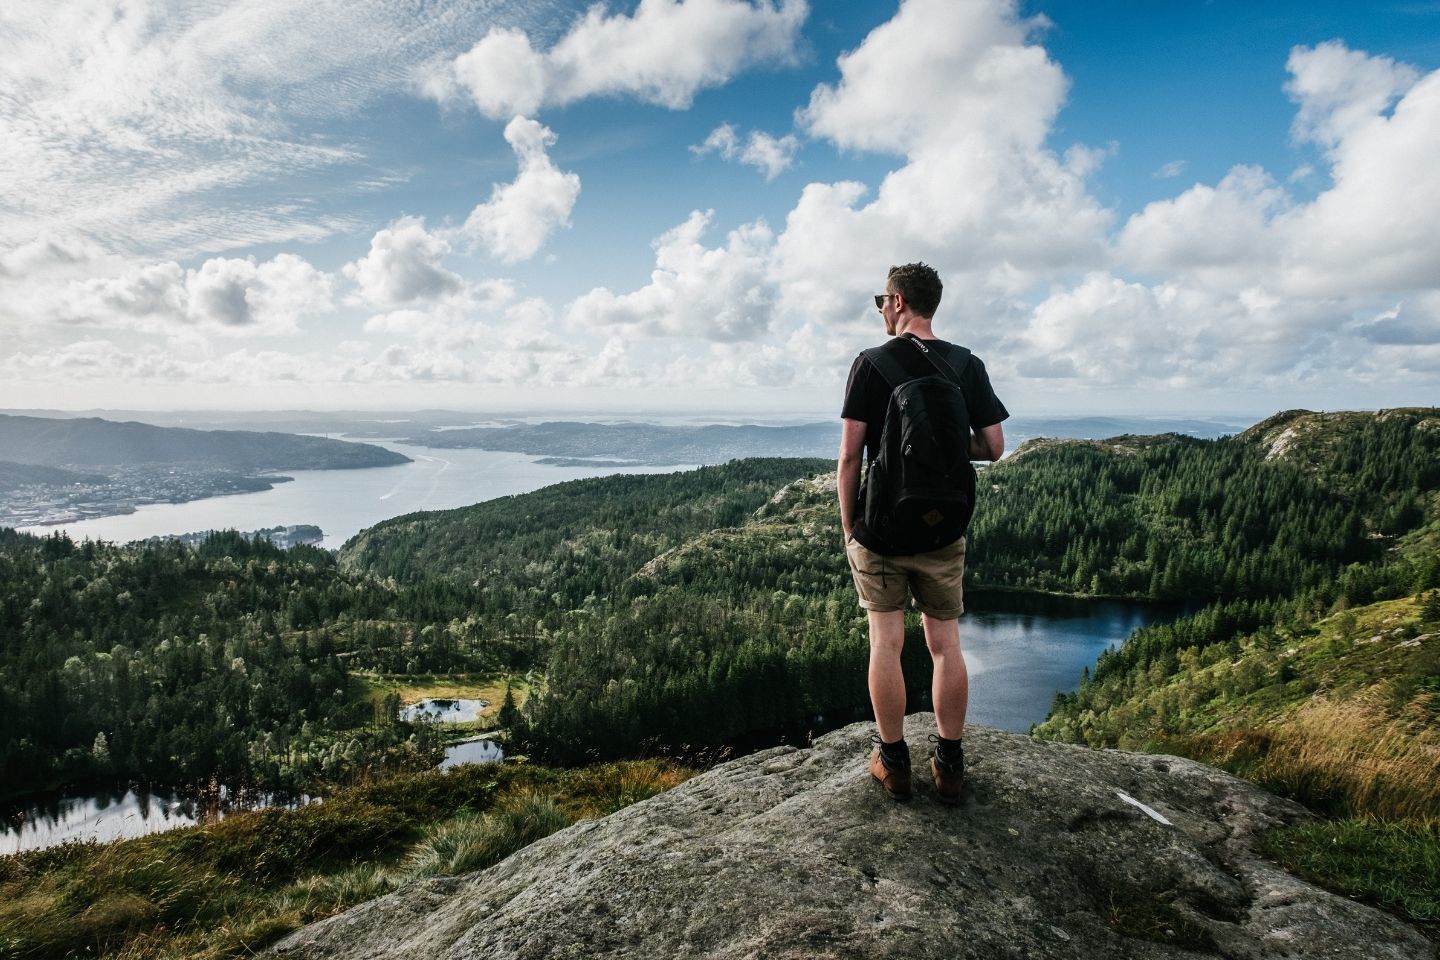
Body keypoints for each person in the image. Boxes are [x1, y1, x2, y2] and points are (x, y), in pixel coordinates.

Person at [837, 262, 1008, 803]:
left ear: (896, 302)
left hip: (883, 531)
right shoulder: (966, 364)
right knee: (944, 644)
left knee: (886, 643)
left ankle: (893, 762)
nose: (882, 311)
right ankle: (950, 763)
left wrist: (850, 527)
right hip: (943, 529)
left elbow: (849, 457)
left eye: (880, 302)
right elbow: (993, 447)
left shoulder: (872, 363)